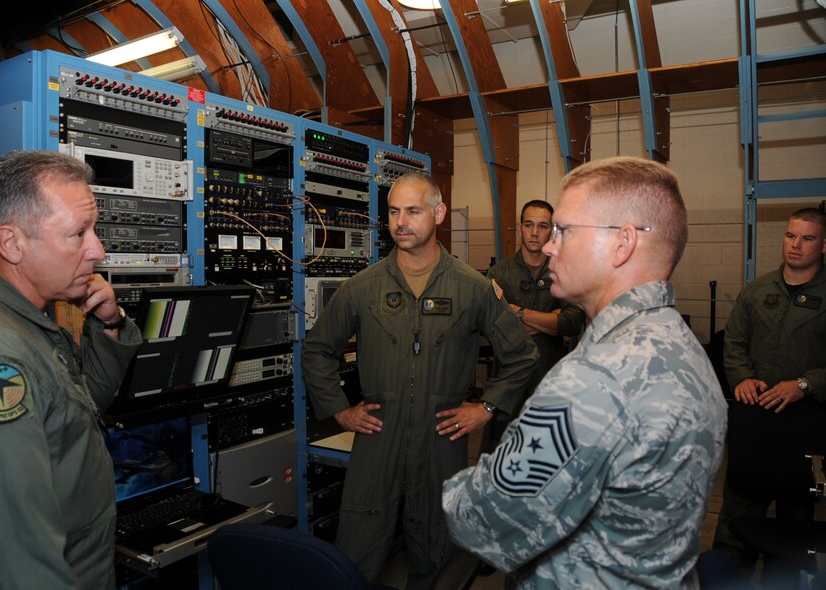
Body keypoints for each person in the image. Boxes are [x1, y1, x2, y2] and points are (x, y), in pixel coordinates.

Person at [442, 156, 728, 588]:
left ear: (622, 243)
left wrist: (461, 487)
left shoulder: (596, 378)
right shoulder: (678, 345)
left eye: (565, 230)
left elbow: (479, 519)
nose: (550, 245)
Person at [301, 171, 537, 589]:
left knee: (435, 549)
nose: (401, 222)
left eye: (412, 210)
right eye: (393, 212)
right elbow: (317, 349)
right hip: (378, 432)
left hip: (441, 433)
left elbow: (521, 355)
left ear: (439, 213)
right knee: (358, 548)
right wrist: (338, 408)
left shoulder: (473, 288)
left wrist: (486, 407)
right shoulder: (363, 287)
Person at [0, 150, 143, 588]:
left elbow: (76, 413)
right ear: (11, 243)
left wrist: (108, 324)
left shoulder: (23, 318)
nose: (98, 251)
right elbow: (5, 562)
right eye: (78, 233)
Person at [712, 207, 826, 582]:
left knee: (794, 523)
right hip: (755, 423)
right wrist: (741, 377)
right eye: (791, 235)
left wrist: (805, 384)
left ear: (823, 244)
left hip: (804, 425)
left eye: (807, 238)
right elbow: (734, 344)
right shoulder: (757, 292)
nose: (796, 245)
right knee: (738, 518)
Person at [485, 199, 585, 445]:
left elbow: (573, 322)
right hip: (509, 384)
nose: (534, 232)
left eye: (542, 226)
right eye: (529, 225)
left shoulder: (564, 271)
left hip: (551, 379)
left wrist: (517, 312)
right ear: (519, 228)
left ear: (552, 231)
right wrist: (551, 322)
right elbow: (495, 327)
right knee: (503, 455)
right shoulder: (499, 273)